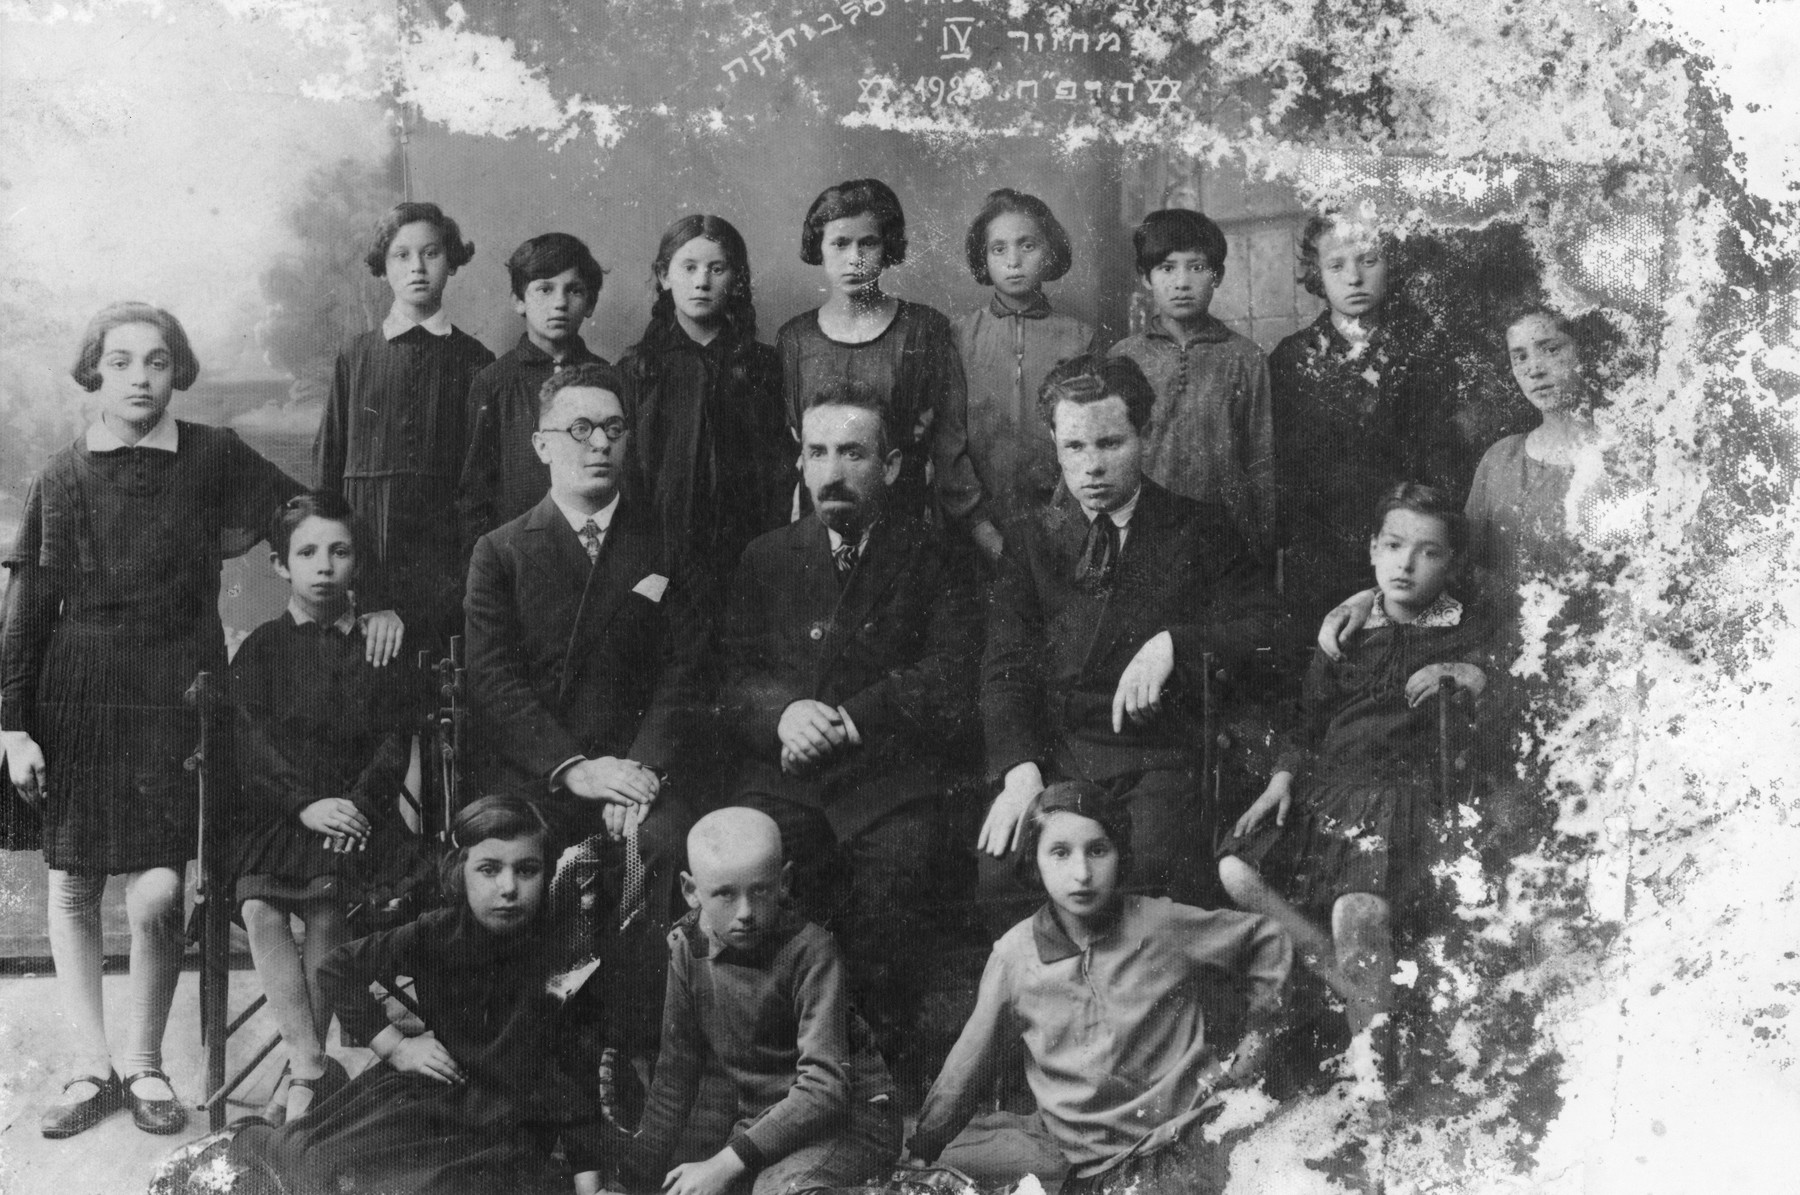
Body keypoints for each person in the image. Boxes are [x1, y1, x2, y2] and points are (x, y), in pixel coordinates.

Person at [0, 303, 322, 1138]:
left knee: (159, 890)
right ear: (95, 372)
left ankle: (145, 1062)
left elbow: (303, 515)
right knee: (75, 880)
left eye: (156, 361)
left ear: (178, 370)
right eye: (121, 362)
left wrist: (327, 592)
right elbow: (27, 608)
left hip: (179, 686)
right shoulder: (63, 473)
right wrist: (12, 725)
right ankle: (90, 1064)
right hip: (77, 689)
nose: (139, 377)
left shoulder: (212, 455)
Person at [151, 795, 616, 1195]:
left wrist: (588, 1181)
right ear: (461, 872)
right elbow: (338, 968)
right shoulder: (438, 932)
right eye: (489, 869)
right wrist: (395, 1044)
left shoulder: (562, 954)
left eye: (527, 870)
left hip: (508, 1125)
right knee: (317, 1166)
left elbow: (572, 1072)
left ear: (547, 872)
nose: (508, 888)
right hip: (435, 1090)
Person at [719, 379, 981, 1050]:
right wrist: (783, 716)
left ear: (891, 465)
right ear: (800, 462)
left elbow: (948, 676)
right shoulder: (762, 557)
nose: (833, 472)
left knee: (898, 875)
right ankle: (765, 1059)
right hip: (786, 773)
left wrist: (845, 719)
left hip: (888, 777)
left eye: (854, 453)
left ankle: (876, 1069)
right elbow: (734, 676)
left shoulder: (936, 557)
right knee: (747, 866)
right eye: (819, 452)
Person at [979, 353, 1278, 911]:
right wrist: (1020, 772)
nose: (1091, 466)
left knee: (1151, 869)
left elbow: (1268, 632)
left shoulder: (1200, 528)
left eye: (1110, 444)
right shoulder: (1031, 540)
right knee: (1002, 875)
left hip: (1159, 759)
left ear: (1143, 434)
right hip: (1059, 758)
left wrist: (1176, 644)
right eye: (1074, 447)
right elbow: (1006, 667)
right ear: (1053, 440)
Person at [463, 362, 708, 1043]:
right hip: (537, 772)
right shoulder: (500, 551)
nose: (598, 443)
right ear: (542, 444)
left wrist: (640, 770)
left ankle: (630, 1045)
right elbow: (493, 679)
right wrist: (575, 767)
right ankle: (532, 1048)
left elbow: (686, 671)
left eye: (612, 428)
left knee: (657, 845)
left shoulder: (664, 542)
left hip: (639, 772)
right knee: (514, 855)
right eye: (579, 428)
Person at [1220, 483, 1494, 1067]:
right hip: (1328, 788)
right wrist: (1282, 778)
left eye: (1429, 552)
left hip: (1404, 798)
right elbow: (1306, 721)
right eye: (1394, 546)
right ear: (1372, 550)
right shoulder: (1347, 628)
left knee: (1357, 913)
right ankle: (1348, 989)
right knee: (1237, 869)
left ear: (1453, 565)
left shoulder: (1465, 630)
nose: (1407, 563)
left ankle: (1373, 1071)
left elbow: (1505, 688)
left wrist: (1469, 673)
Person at [910, 783, 1291, 1194]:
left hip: (1196, 1137)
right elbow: (967, 1069)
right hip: (1100, 1169)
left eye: (1097, 850)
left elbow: (1267, 939)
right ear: (1035, 863)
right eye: (1059, 852)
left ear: (1119, 855)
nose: (1082, 874)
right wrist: (924, 1146)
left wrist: (1258, 1042)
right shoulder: (1015, 957)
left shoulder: (1159, 924)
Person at [228, 491, 424, 1124]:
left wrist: (357, 806)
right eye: (307, 552)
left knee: (324, 900)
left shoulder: (379, 645)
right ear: (282, 566)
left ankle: (307, 1082)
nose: (324, 565)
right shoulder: (261, 649)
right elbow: (249, 746)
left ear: (357, 563)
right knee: (260, 904)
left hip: (363, 823)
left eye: (339, 551)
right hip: (287, 817)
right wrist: (306, 805)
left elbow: (396, 743)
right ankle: (311, 1063)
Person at [1316, 305, 1624, 658]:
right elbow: (1453, 570)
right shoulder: (1501, 460)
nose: (1535, 369)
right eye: (1519, 357)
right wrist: (1368, 600)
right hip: (1499, 653)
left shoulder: (1627, 462)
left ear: (1585, 350)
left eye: (1551, 349)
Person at [623, 808, 900, 1195]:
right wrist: (628, 1185)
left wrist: (724, 1164)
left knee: (780, 1190)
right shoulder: (685, 948)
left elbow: (824, 1088)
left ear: (784, 881)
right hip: (767, 1124)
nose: (745, 913)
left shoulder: (811, 951)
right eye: (724, 894)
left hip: (852, 1121)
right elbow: (674, 1077)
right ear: (690, 891)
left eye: (761, 890)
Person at [1269, 210, 1464, 633]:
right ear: (1317, 275)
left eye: (1368, 260)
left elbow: (1444, 465)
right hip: (1322, 559)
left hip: (1410, 556)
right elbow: (1286, 477)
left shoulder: (1426, 349)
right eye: (1336, 265)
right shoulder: (1290, 359)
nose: (1354, 278)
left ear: (1390, 264)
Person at [315, 200, 495, 652]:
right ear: (383, 268)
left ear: (451, 262)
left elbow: (482, 493)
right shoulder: (354, 357)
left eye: (431, 253)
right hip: (363, 584)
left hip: (447, 584)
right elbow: (326, 481)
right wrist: (364, 593)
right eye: (402, 255)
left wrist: (445, 596)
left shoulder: (477, 362)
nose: (417, 267)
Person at [774, 178, 991, 545]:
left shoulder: (924, 329)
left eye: (868, 243)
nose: (855, 258)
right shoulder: (795, 339)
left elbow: (946, 440)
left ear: (887, 246)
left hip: (905, 521)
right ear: (820, 249)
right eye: (840, 243)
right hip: (822, 521)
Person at [621, 214, 790, 609]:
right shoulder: (638, 370)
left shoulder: (762, 366)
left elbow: (781, 472)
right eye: (689, 267)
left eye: (717, 268)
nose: (702, 282)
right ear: (664, 276)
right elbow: (627, 479)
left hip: (748, 557)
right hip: (661, 565)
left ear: (736, 279)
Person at [1107, 208, 1275, 556]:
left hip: (1227, 536)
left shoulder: (1245, 357)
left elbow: (1262, 461)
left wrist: (1263, 546)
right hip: (1145, 534)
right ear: (1145, 277)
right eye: (1167, 268)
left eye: (1196, 267)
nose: (1182, 282)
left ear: (1218, 275)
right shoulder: (1125, 356)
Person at [954, 188, 1097, 553]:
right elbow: (947, 443)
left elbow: (1088, 440)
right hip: (975, 526)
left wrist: (1061, 520)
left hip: (1063, 523)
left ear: (1049, 252)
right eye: (998, 249)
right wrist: (979, 526)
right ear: (983, 258)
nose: (1013, 261)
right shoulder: (959, 337)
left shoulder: (1080, 337)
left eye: (1027, 245)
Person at [458, 231, 610, 552]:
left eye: (574, 290)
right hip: (518, 555)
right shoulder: (493, 382)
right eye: (544, 289)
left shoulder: (610, 380)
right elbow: (474, 493)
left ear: (591, 303)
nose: (559, 303)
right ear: (518, 301)